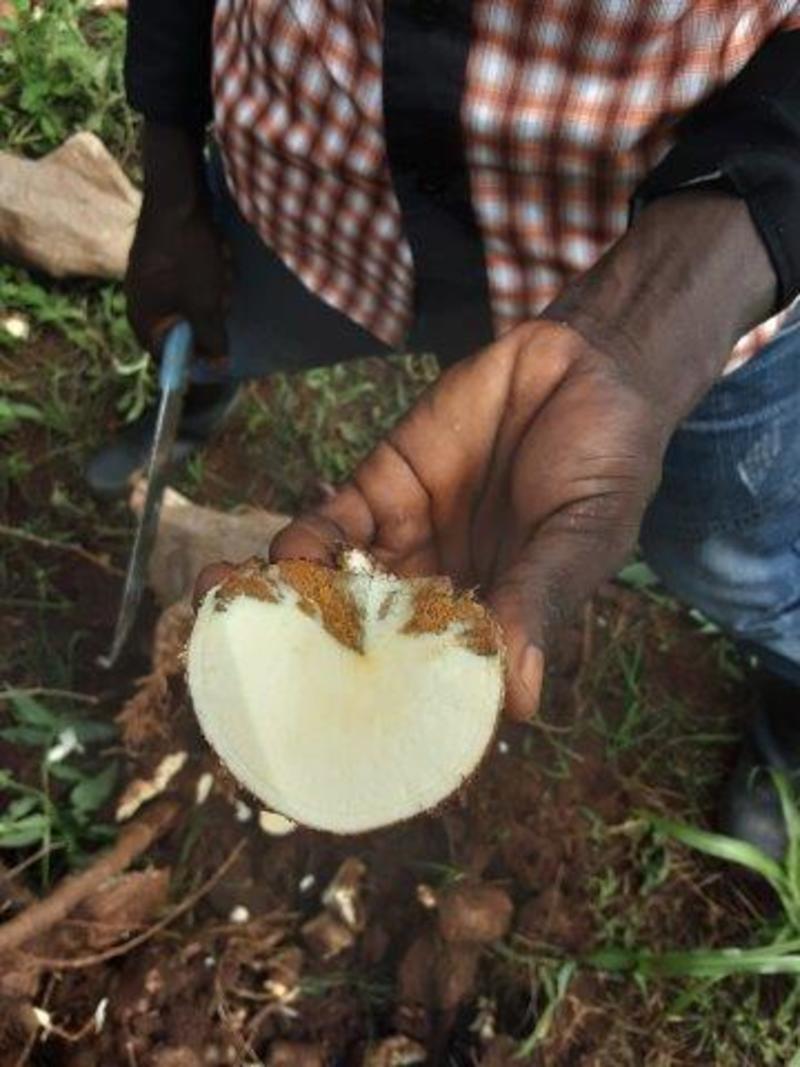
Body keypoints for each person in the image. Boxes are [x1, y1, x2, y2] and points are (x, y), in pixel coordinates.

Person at [90, 1, 800, 858]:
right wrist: (170, 168)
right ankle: (195, 411)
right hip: (311, 188)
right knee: (220, 337)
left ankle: (791, 704)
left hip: (681, 268)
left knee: (736, 567)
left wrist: (647, 325)